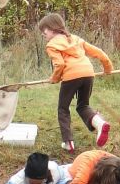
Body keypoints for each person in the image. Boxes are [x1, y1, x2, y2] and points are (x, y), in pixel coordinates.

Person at [38, 12, 113, 153]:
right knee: (83, 105)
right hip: (88, 73)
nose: (43, 34)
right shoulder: (76, 39)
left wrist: (55, 78)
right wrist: (108, 68)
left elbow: (59, 64)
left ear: (53, 28)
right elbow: (99, 53)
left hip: (71, 76)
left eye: (45, 31)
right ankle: (99, 123)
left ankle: (68, 142)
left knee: (63, 109)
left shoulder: (51, 45)